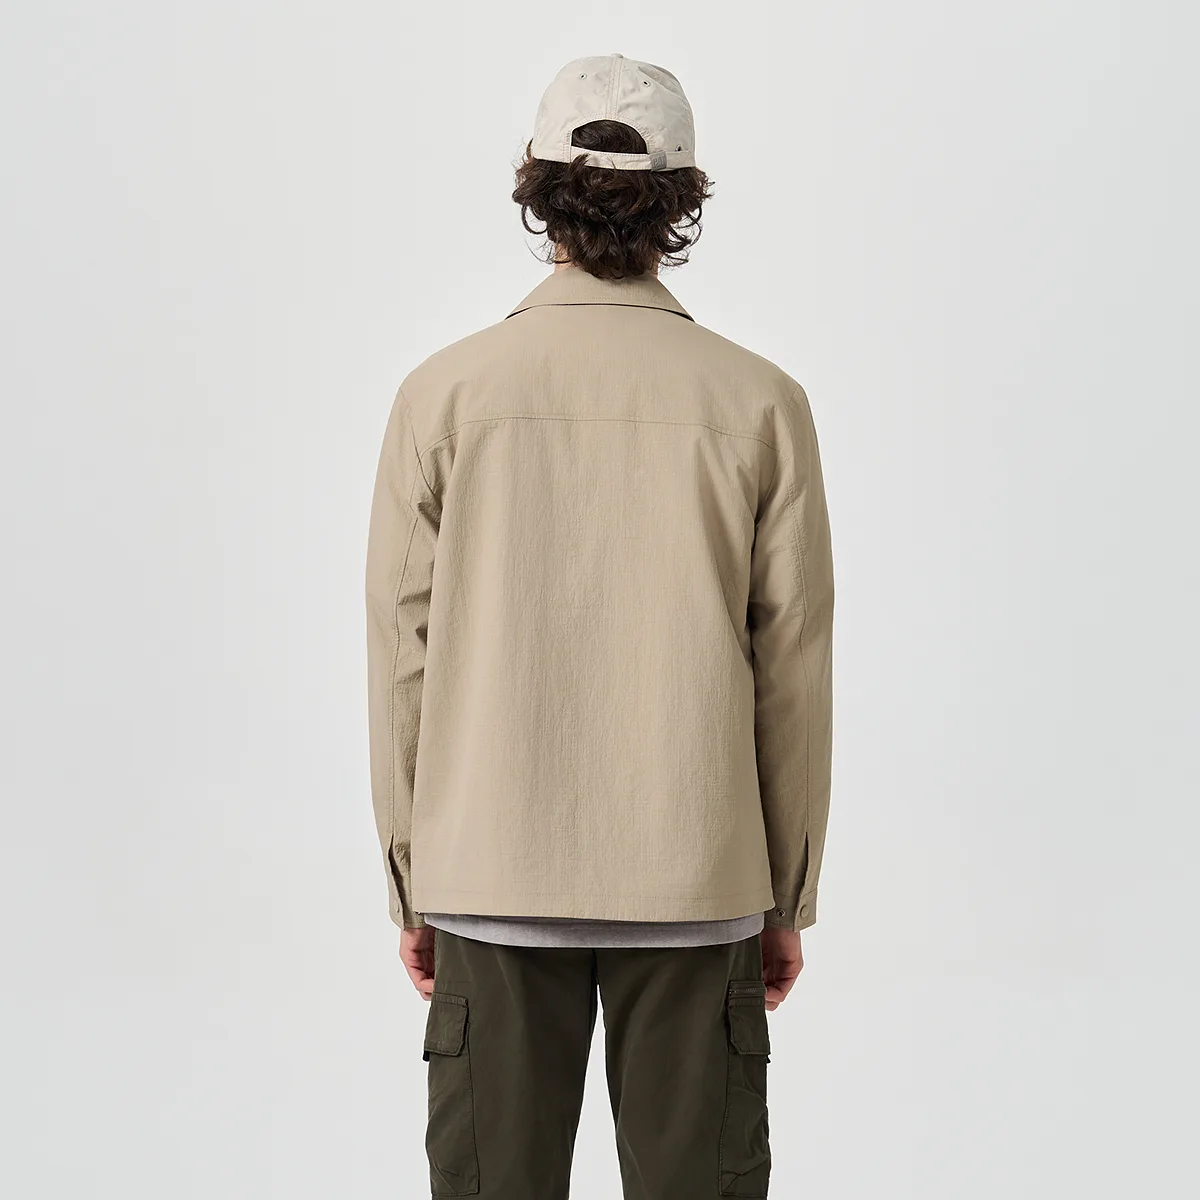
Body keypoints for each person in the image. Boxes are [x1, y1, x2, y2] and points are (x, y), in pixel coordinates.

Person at [365, 53, 835, 1200]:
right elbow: (793, 668)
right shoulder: (761, 404)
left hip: (489, 877)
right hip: (697, 878)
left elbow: (400, 655)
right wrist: (784, 892)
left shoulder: (443, 397)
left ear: (538, 190)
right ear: (681, 201)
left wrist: (415, 876)